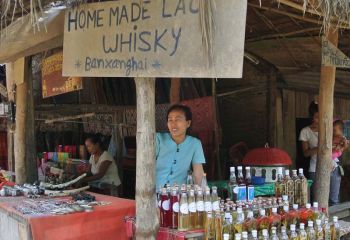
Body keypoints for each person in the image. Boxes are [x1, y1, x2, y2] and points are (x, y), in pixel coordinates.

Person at [156, 105, 206, 191]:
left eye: (178, 119)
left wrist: (202, 194)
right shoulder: (158, 139)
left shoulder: (195, 143)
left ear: (188, 123)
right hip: (154, 192)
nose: (173, 124)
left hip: (178, 194)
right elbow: (146, 165)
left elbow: (198, 173)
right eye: (170, 120)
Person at [299, 101, 319, 200]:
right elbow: (306, 153)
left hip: (333, 167)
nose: (319, 120)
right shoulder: (305, 131)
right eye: (316, 117)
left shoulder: (330, 129)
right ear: (312, 117)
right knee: (316, 198)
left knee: (333, 200)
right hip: (315, 168)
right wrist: (319, 148)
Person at [330, 120, 348, 205]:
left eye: (335, 129)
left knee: (334, 195)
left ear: (340, 129)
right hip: (330, 158)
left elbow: (342, 147)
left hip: (334, 159)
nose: (333, 131)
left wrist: (339, 146)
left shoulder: (342, 138)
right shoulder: (333, 137)